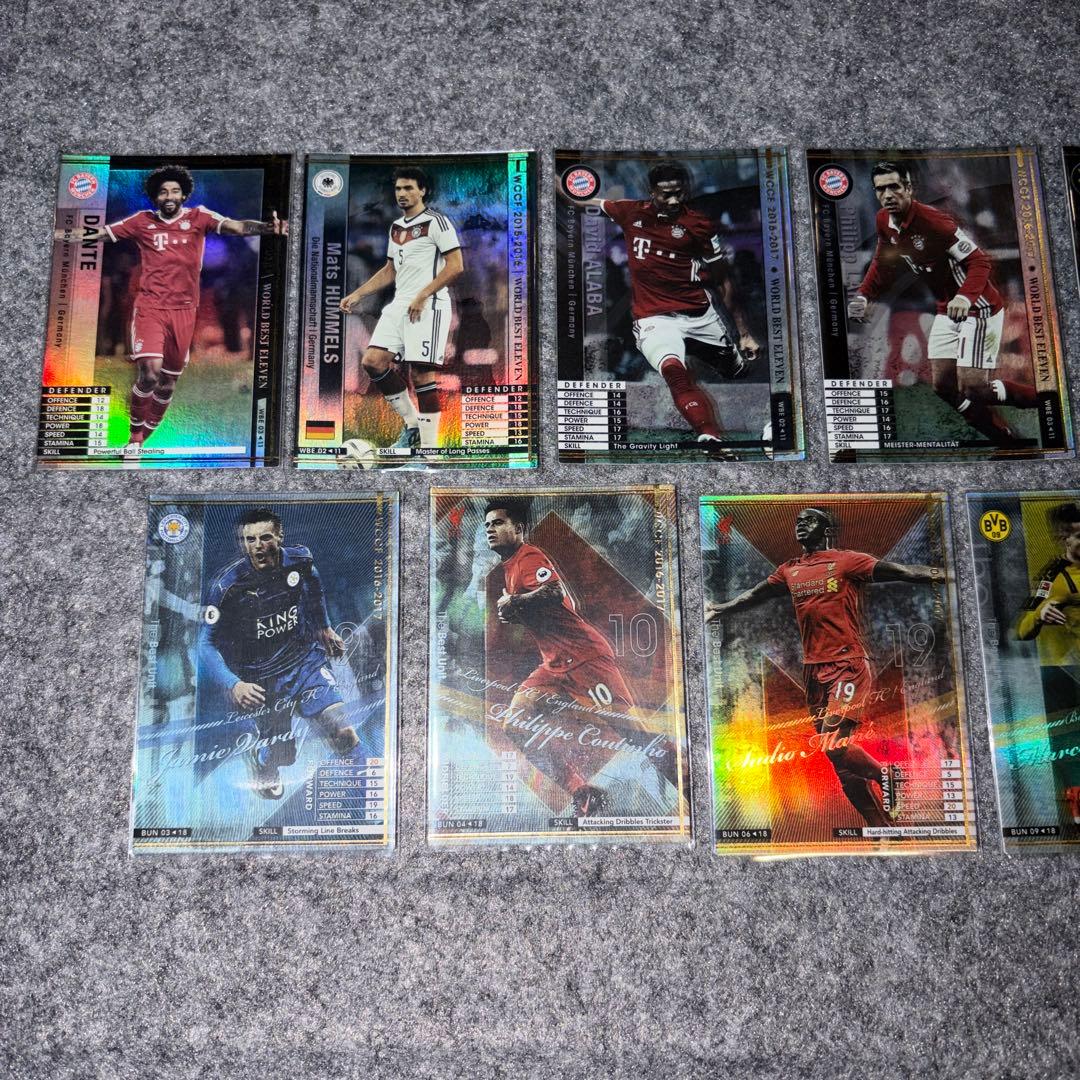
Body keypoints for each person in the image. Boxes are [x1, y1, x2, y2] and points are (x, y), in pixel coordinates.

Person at [705, 507, 942, 828]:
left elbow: (900, 571)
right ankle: (880, 828)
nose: (801, 525)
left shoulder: (846, 561)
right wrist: (721, 608)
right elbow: (756, 594)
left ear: (826, 529)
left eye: (809, 520)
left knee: (834, 745)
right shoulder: (790, 569)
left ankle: (888, 774)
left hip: (846, 665)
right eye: (798, 521)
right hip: (813, 672)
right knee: (840, 765)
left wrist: (941, 574)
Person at [59, 164, 287, 457]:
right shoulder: (142, 221)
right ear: (155, 196)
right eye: (163, 191)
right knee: (149, 374)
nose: (169, 196)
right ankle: (134, 438)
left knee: (167, 384)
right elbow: (102, 234)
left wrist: (268, 228)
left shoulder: (199, 217)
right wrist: (60, 233)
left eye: (175, 191)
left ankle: (144, 436)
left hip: (184, 311)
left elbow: (238, 227)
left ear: (183, 195)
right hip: (150, 308)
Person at [568, 159, 761, 455]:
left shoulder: (699, 225)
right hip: (654, 319)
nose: (673, 201)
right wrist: (554, 177)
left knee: (736, 371)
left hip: (700, 315)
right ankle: (710, 437)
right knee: (675, 373)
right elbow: (581, 200)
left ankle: (715, 359)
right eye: (665, 194)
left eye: (678, 193)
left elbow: (723, 280)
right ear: (651, 192)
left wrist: (744, 333)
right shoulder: (630, 212)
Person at [847, 160, 1036, 448]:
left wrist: (964, 297)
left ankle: (1047, 401)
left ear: (908, 188)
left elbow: (979, 261)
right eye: (880, 189)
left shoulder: (934, 222)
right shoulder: (884, 220)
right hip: (945, 310)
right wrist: (863, 294)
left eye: (894, 187)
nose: (887, 195)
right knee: (944, 387)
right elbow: (881, 261)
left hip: (978, 308)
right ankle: (1006, 442)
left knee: (974, 389)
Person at [484, 500, 651, 818]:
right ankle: (583, 793)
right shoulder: (510, 567)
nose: (490, 529)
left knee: (638, 735)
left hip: (585, 658)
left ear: (519, 528)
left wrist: (515, 602)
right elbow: (562, 604)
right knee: (515, 725)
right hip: (554, 666)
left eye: (498, 523)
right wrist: (517, 609)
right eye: (487, 525)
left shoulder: (529, 556)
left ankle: (688, 780)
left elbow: (554, 592)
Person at [201, 508, 358, 800]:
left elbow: (314, 582)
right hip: (262, 680)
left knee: (344, 733)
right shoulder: (226, 587)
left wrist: (323, 626)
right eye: (250, 540)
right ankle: (262, 760)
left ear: (279, 537)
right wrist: (234, 684)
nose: (257, 546)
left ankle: (365, 797)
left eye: (265, 538)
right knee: (284, 756)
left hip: (305, 663)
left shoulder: (300, 560)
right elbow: (205, 645)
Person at [339, 166, 464, 454]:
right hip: (399, 305)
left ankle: (430, 452)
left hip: (429, 305)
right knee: (373, 361)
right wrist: (358, 294)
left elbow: (456, 266)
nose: (402, 194)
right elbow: (390, 270)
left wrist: (423, 295)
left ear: (422, 191)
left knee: (421, 375)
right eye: (398, 188)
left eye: (409, 188)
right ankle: (412, 426)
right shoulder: (396, 227)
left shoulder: (437, 222)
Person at [1016, 502, 1080, 815]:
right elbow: (1022, 629)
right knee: (1068, 747)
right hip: (1061, 671)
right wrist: (1040, 614)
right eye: (1077, 534)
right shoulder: (1051, 576)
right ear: (1063, 538)